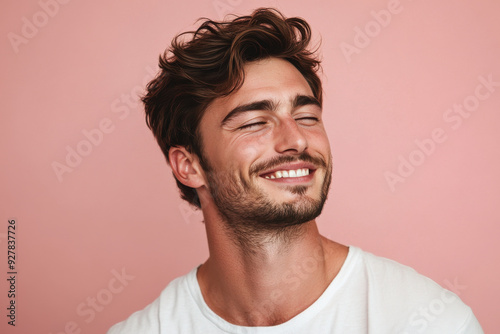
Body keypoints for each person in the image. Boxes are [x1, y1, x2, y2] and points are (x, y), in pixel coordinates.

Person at [107, 8, 483, 333]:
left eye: (306, 116)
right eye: (254, 122)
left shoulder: (426, 321)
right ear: (189, 166)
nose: (297, 140)